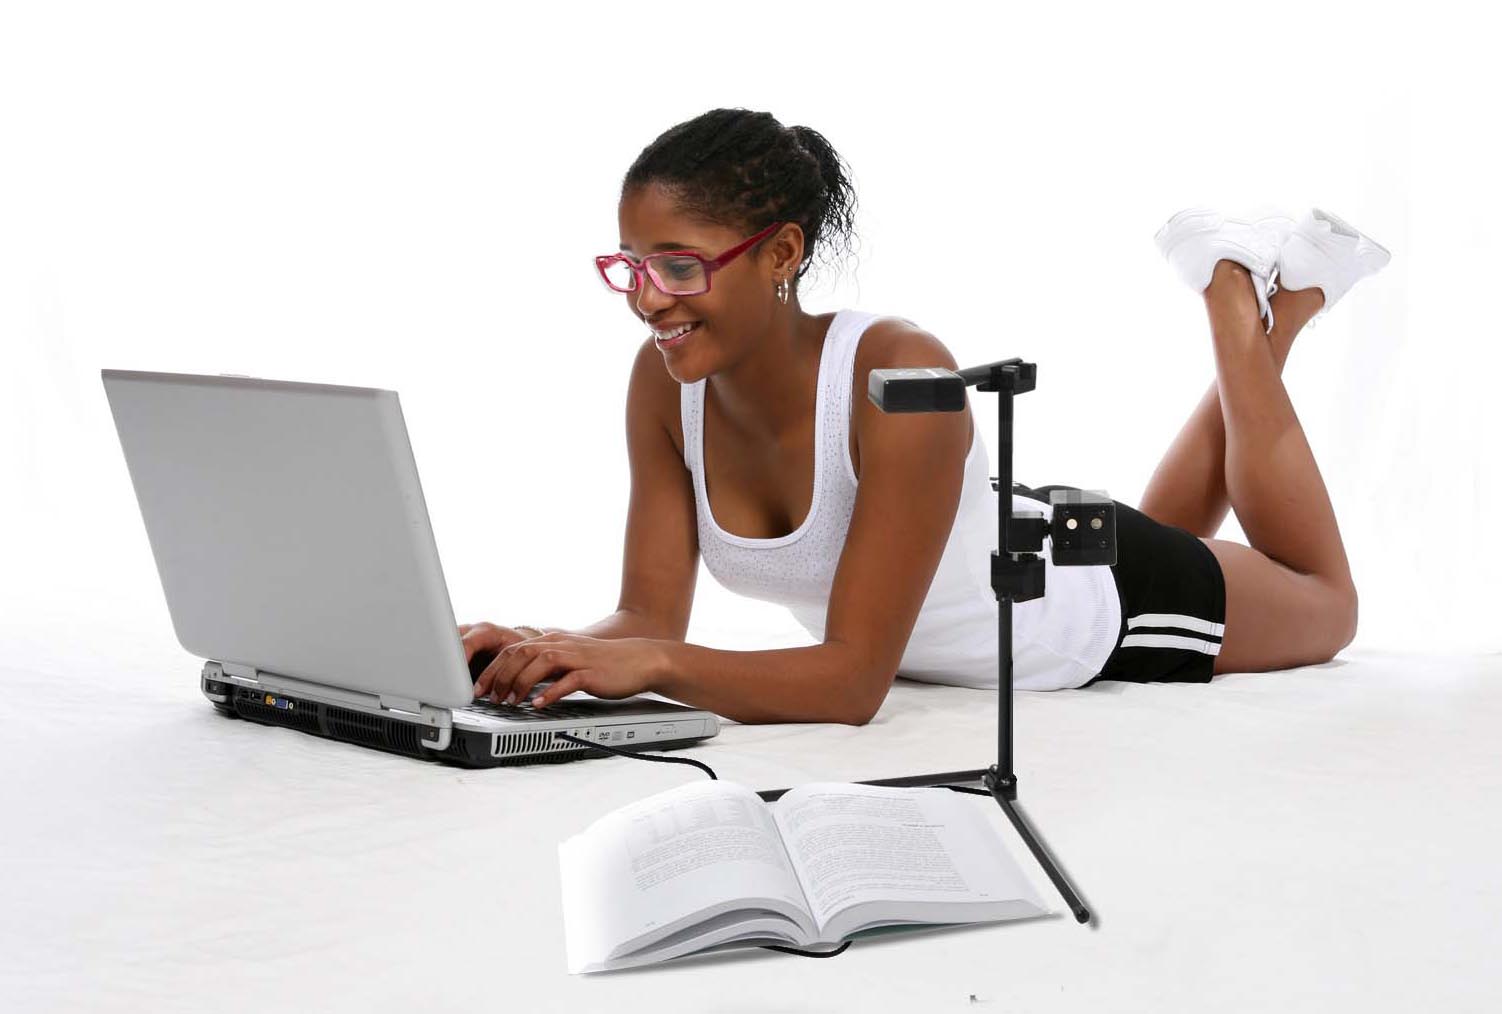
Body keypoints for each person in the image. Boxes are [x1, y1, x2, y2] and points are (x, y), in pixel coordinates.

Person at [460, 108, 1389, 725]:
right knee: (1170, 525)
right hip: (1020, 537)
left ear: (781, 254)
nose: (646, 298)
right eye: (630, 265)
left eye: (678, 265)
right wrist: (547, 646)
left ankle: (1232, 300)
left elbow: (852, 681)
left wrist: (662, 667)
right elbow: (647, 615)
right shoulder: (664, 385)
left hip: (1098, 614)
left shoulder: (899, 369)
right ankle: (1283, 307)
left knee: (1328, 605)